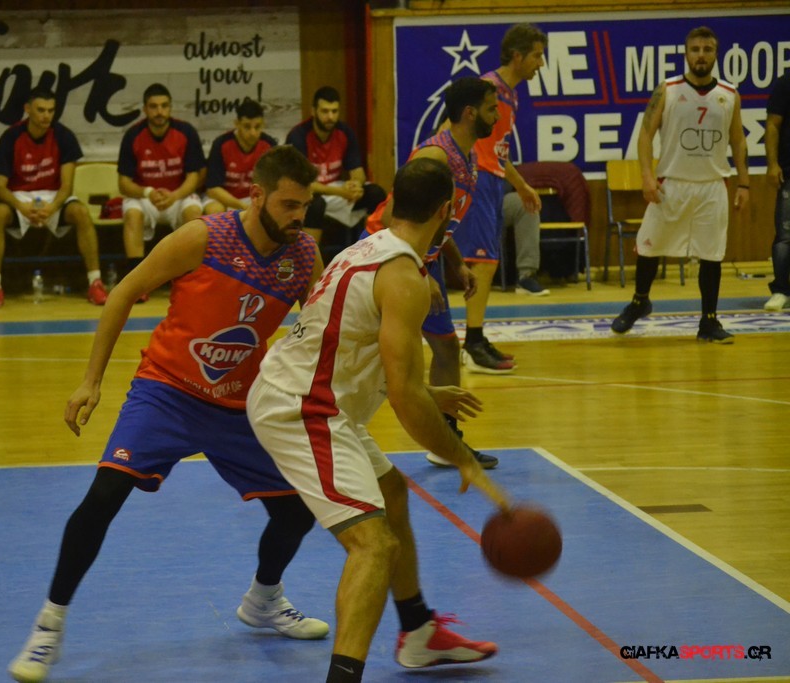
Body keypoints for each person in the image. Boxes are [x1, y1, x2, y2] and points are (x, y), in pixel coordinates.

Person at [8, 146, 328, 683]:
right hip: (167, 392)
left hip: (237, 406)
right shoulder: (204, 237)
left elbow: (322, 329)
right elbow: (124, 293)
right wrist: (91, 381)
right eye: (289, 205)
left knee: (297, 511)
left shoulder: (302, 256)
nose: (299, 216)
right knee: (104, 496)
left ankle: (264, 600)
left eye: (305, 206)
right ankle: (49, 625)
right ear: (257, 195)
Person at [247, 158, 509, 683]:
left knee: (392, 492)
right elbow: (406, 402)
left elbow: (356, 349)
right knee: (373, 545)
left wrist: (427, 392)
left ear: (391, 204)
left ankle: (418, 632)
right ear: (447, 210)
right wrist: (462, 457)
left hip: (310, 396)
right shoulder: (403, 277)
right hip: (301, 407)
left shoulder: (367, 248)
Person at [362, 77, 500, 469]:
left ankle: (445, 442)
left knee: (446, 348)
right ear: (470, 113)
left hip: (421, 258)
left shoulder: (468, 155)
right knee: (367, 354)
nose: (497, 116)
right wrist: (419, 271)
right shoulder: (435, 156)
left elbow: (439, 220)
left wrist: (453, 261)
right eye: (491, 108)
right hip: (386, 256)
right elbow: (392, 219)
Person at [611, 26, 749, 342]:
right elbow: (645, 135)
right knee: (649, 246)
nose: (701, 55)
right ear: (686, 54)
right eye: (695, 49)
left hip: (712, 185)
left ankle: (709, 322)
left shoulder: (729, 94)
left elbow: (738, 140)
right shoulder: (668, 90)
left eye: (707, 50)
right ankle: (639, 301)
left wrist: (744, 183)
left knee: (711, 254)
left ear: (716, 54)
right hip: (671, 183)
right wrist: (646, 176)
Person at [453, 24, 546, 373]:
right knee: (482, 263)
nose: (541, 63)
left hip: (493, 182)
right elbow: (452, 130)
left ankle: (475, 337)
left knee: (487, 263)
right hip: (477, 179)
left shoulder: (511, 94)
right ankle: (472, 343)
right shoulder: (487, 88)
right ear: (517, 55)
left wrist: (521, 186)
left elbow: (500, 152)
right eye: (536, 55)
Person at [0, 87, 106, 309]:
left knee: (81, 212)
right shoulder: (11, 137)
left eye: (50, 110)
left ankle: (95, 282)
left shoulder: (64, 136)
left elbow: (67, 186)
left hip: (53, 195)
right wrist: (21, 206)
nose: (46, 115)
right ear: (27, 109)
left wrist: (53, 207)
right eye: (41, 110)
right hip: (19, 195)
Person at [117, 83, 206, 301]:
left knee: (195, 214)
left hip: (178, 194)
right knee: (132, 214)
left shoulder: (186, 132)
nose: (159, 111)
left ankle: (192, 279)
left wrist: (175, 195)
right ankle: (137, 286)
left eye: (164, 106)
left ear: (170, 108)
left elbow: (194, 177)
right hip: (146, 195)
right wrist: (148, 192)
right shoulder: (133, 135)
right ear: (145, 109)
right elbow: (123, 183)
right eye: (154, 106)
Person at [286, 86, 386, 243]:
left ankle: (373, 248)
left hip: (337, 191)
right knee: (316, 205)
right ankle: (310, 255)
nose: (330, 117)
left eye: (334, 111)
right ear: (313, 111)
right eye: (325, 111)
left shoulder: (345, 132)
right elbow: (303, 184)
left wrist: (355, 185)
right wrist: (341, 192)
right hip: (310, 193)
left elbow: (358, 172)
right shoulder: (298, 136)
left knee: (376, 193)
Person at [203, 98, 278, 214]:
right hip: (225, 199)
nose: (253, 133)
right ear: (237, 124)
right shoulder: (221, 144)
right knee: (214, 209)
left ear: (263, 124)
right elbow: (213, 189)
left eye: (257, 127)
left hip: (254, 199)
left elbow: (274, 185)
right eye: (247, 127)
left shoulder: (270, 145)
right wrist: (242, 206)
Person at [764, 70, 790, 312]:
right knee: (785, 235)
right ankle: (781, 290)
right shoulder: (786, 82)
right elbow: (772, 124)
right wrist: (772, 164)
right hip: (789, 170)